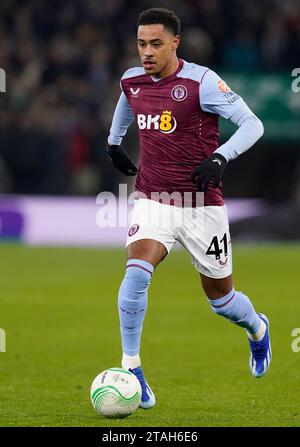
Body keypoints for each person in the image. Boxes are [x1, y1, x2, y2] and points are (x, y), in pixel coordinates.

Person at [106, 8, 271, 410]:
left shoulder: (203, 82)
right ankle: (132, 369)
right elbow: (128, 101)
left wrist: (220, 157)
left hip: (202, 206)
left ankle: (257, 328)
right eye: (142, 43)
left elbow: (253, 124)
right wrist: (114, 141)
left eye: (156, 44)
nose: (147, 52)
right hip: (153, 199)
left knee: (222, 301)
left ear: (175, 43)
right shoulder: (132, 79)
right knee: (136, 273)